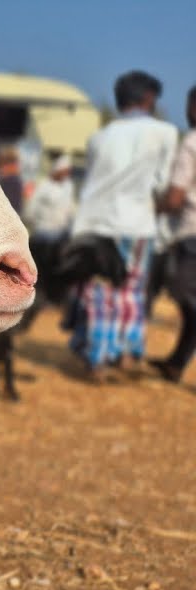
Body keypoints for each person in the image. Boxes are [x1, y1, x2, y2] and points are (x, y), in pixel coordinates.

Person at [66, 70, 178, 381]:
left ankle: (97, 358)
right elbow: (164, 186)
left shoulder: (98, 137)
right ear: (148, 98)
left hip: (93, 223)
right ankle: (126, 354)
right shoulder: (165, 132)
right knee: (129, 291)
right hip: (135, 223)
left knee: (97, 291)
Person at [151, 86, 196, 382]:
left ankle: (176, 363)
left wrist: (153, 204)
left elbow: (176, 198)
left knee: (184, 294)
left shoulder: (192, 143)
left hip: (192, 232)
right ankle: (176, 363)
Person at [24, 154, 77, 275]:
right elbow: (30, 210)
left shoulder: (68, 187)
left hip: (59, 238)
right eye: (64, 171)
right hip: (42, 235)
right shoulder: (44, 186)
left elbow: (71, 210)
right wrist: (36, 225)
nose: (66, 174)